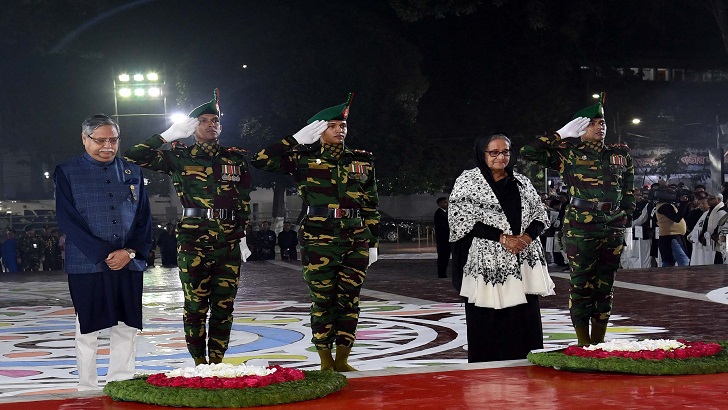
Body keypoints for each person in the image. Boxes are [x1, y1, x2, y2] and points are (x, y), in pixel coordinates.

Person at [251, 93, 380, 372]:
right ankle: (325, 361)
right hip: (319, 238)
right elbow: (259, 159)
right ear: (319, 130)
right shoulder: (301, 158)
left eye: (342, 125)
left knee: (349, 300)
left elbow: (371, 203)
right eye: (333, 125)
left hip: (355, 237)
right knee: (323, 301)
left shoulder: (362, 160)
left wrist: (372, 241)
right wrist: (295, 139)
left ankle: (344, 360)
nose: (340, 130)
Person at [124, 89, 252, 365]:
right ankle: (199, 363)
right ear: (193, 126)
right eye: (204, 120)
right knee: (195, 306)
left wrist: (242, 236)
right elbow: (133, 156)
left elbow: (243, 200)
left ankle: (217, 362)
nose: (211, 125)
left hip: (228, 242)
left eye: (215, 120)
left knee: (224, 307)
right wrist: (167, 135)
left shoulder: (235, 158)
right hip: (194, 241)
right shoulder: (178, 157)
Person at [520, 93, 635, 346]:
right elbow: (528, 152)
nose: (600, 126)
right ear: (581, 127)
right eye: (593, 122)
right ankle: (584, 344)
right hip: (581, 227)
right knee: (582, 284)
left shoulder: (620, 154)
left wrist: (624, 217)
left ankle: (599, 342)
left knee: (606, 284)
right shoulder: (567, 153)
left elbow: (628, 191)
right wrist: (561, 134)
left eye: (602, 122)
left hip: (612, 226)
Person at [54, 114, 152, 391]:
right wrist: (104, 253)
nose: (107, 146)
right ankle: (87, 385)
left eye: (113, 140)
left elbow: (143, 218)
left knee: (127, 326)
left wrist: (130, 252)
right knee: (87, 327)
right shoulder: (67, 171)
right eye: (100, 140)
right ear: (85, 139)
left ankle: (120, 381)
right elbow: (67, 219)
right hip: (87, 264)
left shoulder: (132, 171)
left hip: (128, 263)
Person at [450, 133, 554, 362]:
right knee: (488, 315)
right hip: (486, 262)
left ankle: (526, 361)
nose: (501, 157)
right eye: (494, 152)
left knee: (523, 316)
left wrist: (525, 238)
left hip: (522, 259)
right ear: (482, 154)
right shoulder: (468, 181)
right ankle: (487, 367)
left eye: (505, 151)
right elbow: (461, 219)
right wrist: (503, 238)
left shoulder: (522, 182)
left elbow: (539, 215)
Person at [655, 187, 691, 267]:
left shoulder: (667, 205)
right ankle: (683, 278)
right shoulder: (663, 206)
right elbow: (677, 218)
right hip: (671, 237)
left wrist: (685, 203)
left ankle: (667, 278)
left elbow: (682, 216)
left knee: (669, 261)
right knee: (683, 260)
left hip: (671, 236)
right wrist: (683, 203)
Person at [434, 197, 451, 278]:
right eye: (444, 202)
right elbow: (442, 227)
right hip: (442, 239)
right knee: (442, 257)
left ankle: (443, 272)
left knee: (446, 256)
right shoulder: (438, 213)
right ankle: (441, 273)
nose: (446, 204)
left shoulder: (445, 213)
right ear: (439, 204)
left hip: (446, 239)